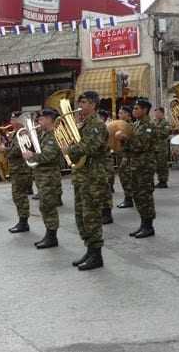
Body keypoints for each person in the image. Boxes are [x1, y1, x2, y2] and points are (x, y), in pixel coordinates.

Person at [69, 91, 109, 271]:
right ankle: (89, 250)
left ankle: (96, 255)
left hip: (93, 177)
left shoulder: (97, 125)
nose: (80, 106)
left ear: (93, 104)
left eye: (84, 102)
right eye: (80, 102)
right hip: (82, 176)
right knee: (81, 216)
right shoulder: (83, 124)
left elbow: (90, 148)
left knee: (91, 216)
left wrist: (69, 149)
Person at [23, 108, 62, 248]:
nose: (38, 121)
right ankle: (49, 234)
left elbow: (48, 156)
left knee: (48, 206)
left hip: (50, 176)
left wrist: (31, 156)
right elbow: (36, 149)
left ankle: (52, 236)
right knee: (44, 206)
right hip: (42, 176)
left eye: (41, 119)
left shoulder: (54, 135)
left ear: (50, 119)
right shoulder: (44, 134)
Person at [120, 99, 157, 238]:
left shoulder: (149, 126)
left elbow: (142, 145)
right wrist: (124, 141)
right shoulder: (135, 125)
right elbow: (128, 147)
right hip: (134, 165)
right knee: (137, 195)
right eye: (134, 108)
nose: (134, 111)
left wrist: (126, 138)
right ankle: (143, 224)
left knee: (145, 195)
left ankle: (148, 226)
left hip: (145, 166)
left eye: (137, 108)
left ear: (145, 110)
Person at [3, 111, 33, 233]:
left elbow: (19, 150)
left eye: (13, 120)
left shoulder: (23, 133)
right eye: (11, 119)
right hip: (17, 170)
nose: (11, 122)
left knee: (20, 196)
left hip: (21, 170)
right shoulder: (16, 133)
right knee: (17, 196)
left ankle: (24, 222)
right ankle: (22, 221)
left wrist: (5, 149)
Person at [116, 106, 134, 209]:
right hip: (122, 155)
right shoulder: (120, 126)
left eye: (122, 113)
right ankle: (129, 198)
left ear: (128, 115)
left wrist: (124, 138)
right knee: (124, 178)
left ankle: (129, 199)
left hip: (129, 157)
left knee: (127, 178)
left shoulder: (130, 126)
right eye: (119, 113)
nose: (119, 115)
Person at [99, 109, 114, 225]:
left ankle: (107, 213)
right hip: (98, 162)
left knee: (105, 187)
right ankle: (102, 211)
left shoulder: (106, 128)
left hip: (104, 160)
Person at [153, 107, 170, 188]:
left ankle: (163, 181)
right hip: (155, 147)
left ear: (162, 113)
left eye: (158, 113)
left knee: (162, 165)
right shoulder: (154, 122)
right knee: (157, 166)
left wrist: (155, 131)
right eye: (155, 113)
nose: (156, 115)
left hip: (162, 148)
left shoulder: (165, 123)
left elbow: (165, 133)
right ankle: (160, 180)